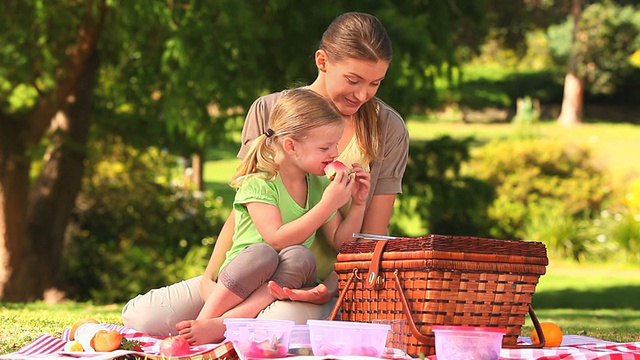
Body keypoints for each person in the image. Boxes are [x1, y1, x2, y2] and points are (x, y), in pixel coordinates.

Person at [121, 11, 409, 344]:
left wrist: (328, 288)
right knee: (143, 316)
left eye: (375, 83)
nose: (362, 95)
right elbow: (244, 205)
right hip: (253, 269)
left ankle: (224, 328)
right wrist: (210, 278)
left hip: (328, 283)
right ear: (322, 61)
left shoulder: (387, 128)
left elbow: (372, 237)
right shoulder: (270, 111)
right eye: (353, 80)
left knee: (277, 323)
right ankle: (220, 323)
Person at [177, 88, 371, 344]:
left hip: (280, 282)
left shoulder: (318, 185)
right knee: (263, 253)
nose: (335, 153)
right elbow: (276, 239)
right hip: (243, 278)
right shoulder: (260, 180)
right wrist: (327, 204)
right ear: (291, 146)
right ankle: (206, 322)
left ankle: (220, 326)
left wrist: (357, 204)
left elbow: (340, 242)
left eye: (336, 144)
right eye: (326, 146)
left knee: (302, 256)